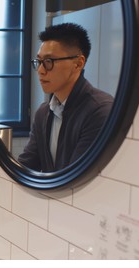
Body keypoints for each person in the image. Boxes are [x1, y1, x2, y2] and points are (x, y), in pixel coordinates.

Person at [18, 23, 113, 172]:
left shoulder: (101, 110)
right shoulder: (43, 112)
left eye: (49, 62)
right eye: (39, 62)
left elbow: (77, 177)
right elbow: (26, 167)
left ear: (78, 63)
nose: (41, 71)